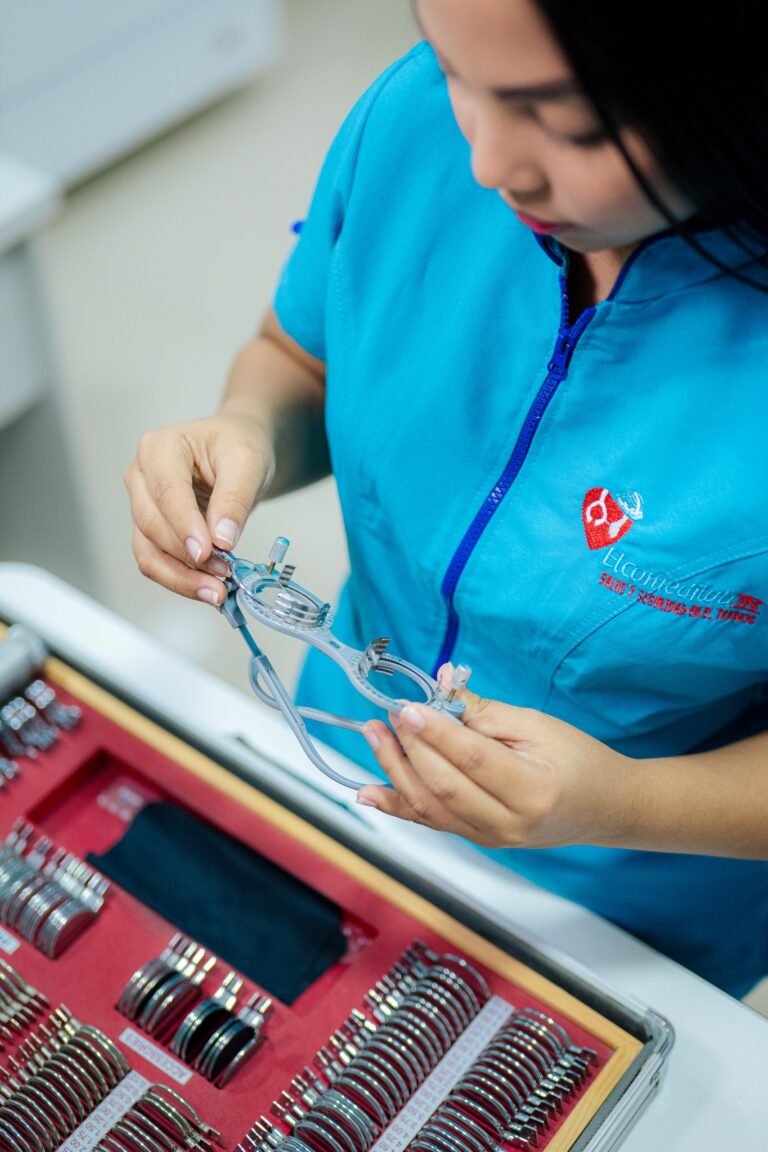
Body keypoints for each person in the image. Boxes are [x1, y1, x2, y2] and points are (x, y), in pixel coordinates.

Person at [125, 0, 768, 999]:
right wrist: (248, 429)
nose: (489, 165)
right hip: (342, 760)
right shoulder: (415, 122)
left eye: (570, 123)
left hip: (629, 909)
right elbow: (301, 352)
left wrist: (628, 802)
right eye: (457, 69)